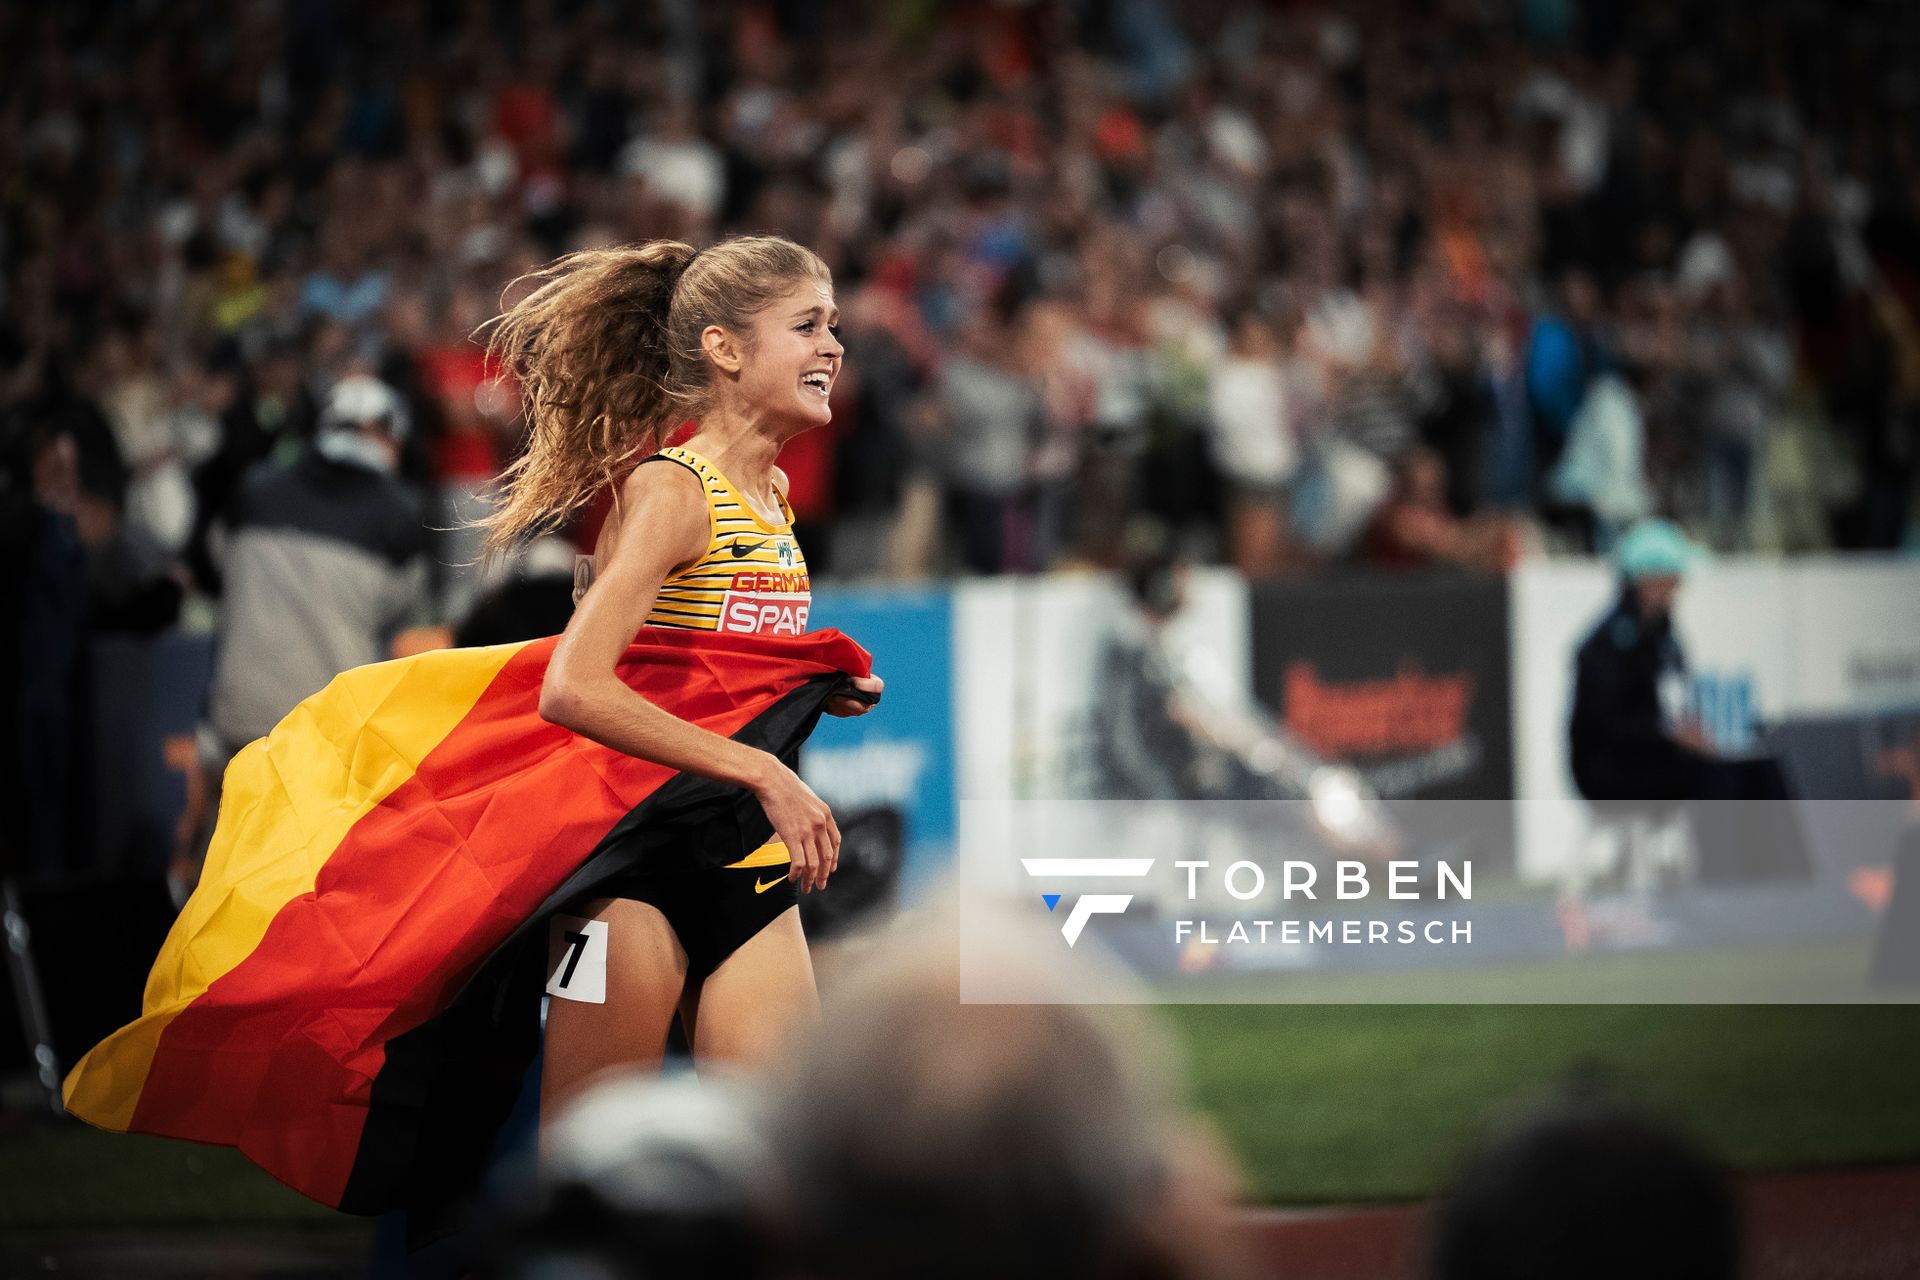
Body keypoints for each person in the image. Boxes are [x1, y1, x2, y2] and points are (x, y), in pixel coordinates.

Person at [474, 236, 885, 1125]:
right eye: (807, 325)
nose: (834, 347)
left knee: (782, 1150)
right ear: (725, 349)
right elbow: (574, 687)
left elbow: (697, 671)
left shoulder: (774, 492)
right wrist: (768, 770)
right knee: (590, 1160)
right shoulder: (670, 488)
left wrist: (812, 689)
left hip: (739, 848)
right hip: (633, 857)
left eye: (836, 326)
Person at [174, 372, 429, 898]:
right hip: (321, 737)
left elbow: (217, 569)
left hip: (234, 727)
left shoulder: (252, 489)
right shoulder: (400, 515)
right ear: (382, 434)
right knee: (302, 897)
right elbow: (406, 615)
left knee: (218, 888)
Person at [1568, 518, 1804, 881]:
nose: (1680, 585)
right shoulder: (1607, 643)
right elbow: (1606, 724)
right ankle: (1724, 882)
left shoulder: (1662, 633)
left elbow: (1677, 698)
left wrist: (1712, 727)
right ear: (1648, 579)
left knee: (1756, 764)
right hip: (1613, 771)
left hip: (1657, 756)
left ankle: (1783, 876)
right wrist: (1671, 735)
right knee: (1718, 774)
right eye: (1673, 575)